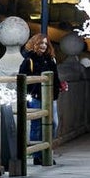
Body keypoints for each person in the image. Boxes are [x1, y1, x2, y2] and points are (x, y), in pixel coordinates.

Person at [19, 33, 64, 164]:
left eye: (45, 43)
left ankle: (47, 150)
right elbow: (22, 79)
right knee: (37, 125)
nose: (43, 46)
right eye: (40, 43)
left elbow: (55, 77)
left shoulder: (51, 60)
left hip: (51, 97)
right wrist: (30, 94)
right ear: (34, 44)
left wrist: (59, 87)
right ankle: (37, 156)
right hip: (36, 97)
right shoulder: (29, 60)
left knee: (54, 123)